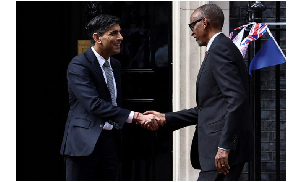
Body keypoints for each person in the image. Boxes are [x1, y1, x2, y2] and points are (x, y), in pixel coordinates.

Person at [144, 4, 254, 181]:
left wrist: (224, 146)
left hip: (221, 153)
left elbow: (236, 100)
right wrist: (166, 118)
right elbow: (209, 108)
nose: (191, 33)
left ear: (205, 22)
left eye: (192, 26)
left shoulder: (220, 49)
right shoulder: (221, 47)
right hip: (218, 152)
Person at [60, 14, 159, 181]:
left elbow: (114, 101)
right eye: (113, 33)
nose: (120, 37)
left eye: (119, 32)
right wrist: (135, 116)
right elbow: (94, 104)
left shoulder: (115, 64)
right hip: (83, 145)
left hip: (110, 143)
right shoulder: (78, 65)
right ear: (97, 38)